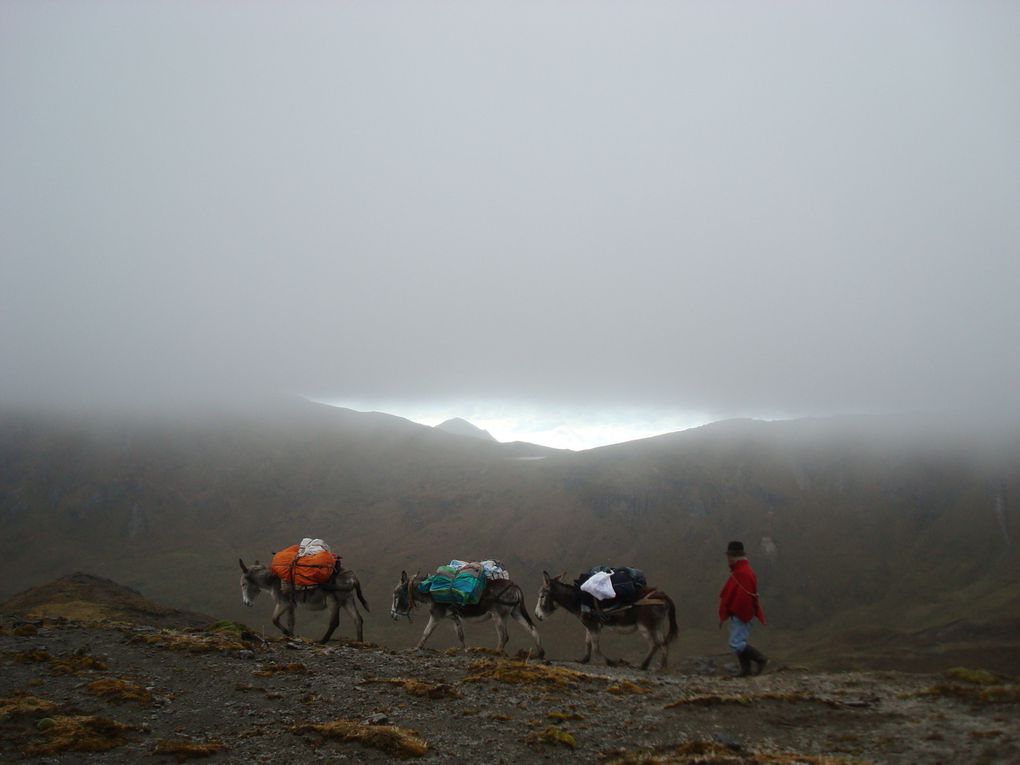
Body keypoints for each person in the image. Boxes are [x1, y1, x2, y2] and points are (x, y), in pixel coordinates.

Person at [719, 540, 767, 676]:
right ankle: (745, 670)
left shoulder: (742, 573)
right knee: (739, 641)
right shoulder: (742, 571)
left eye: (729, 557)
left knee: (736, 643)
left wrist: (738, 611)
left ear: (734, 557)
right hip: (741, 613)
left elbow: (743, 598)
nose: (727, 560)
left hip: (743, 613)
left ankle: (760, 659)